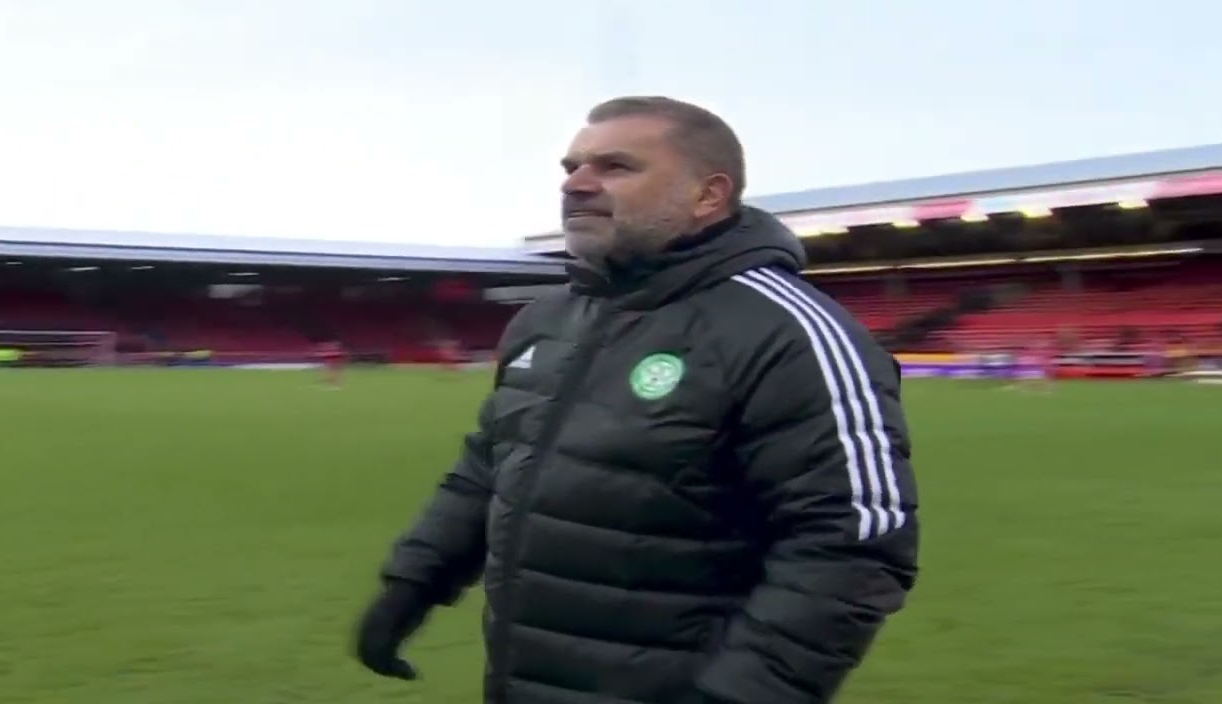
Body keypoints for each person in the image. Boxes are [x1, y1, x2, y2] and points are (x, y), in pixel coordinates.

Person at [353, 96, 920, 704]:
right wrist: (414, 580)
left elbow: (854, 540)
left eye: (616, 167)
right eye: (571, 167)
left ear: (708, 195)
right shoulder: (546, 320)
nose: (577, 184)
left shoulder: (788, 333)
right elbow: (489, 465)